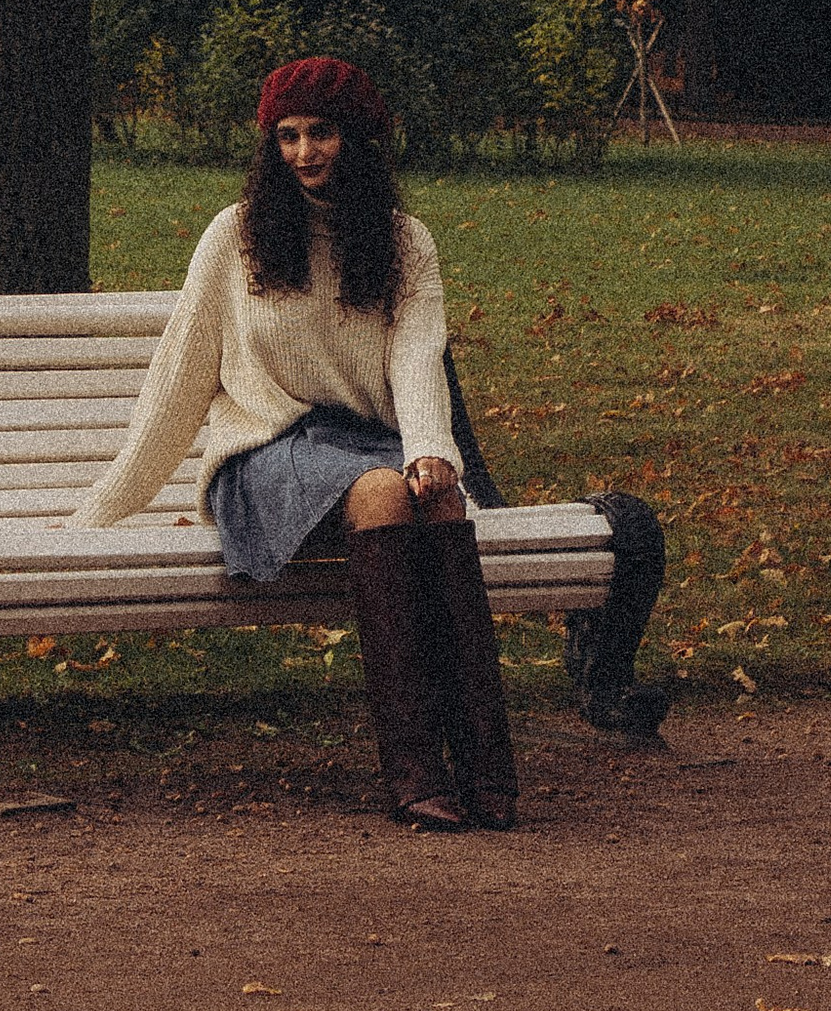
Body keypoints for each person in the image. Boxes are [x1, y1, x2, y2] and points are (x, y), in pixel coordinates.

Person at [72, 53, 516, 830]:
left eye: (322, 133)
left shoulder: (405, 243)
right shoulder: (234, 237)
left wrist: (430, 451)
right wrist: (104, 512)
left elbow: (418, 355)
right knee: (384, 494)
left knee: (438, 501)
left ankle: (488, 769)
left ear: (360, 139)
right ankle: (414, 772)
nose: (305, 153)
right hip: (266, 452)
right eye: (287, 136)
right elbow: (180, 380)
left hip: (371, 444)